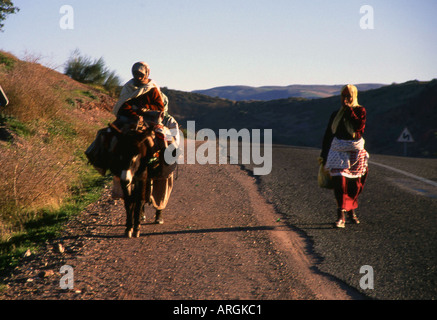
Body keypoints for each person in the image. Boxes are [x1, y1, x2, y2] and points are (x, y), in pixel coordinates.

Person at [112, 62, 180, 225]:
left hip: (152, 122)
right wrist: (133, 114)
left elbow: (159, 109)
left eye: (141, 73)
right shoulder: (127, 88)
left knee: (165, 145)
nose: (138, 76)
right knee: (114, 140)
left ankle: (159, 208)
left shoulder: (153, 88)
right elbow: (120, 108)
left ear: (147, 73)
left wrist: (147, 114)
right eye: (136, 73)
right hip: (131, 122)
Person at [320, 84, 369, 228]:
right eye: (343, 96)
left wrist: (349, 111)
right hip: (337, 150)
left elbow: (359, 128)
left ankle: (351, 211)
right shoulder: (336, 114)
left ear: (354, 97)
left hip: (355, 150)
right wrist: (323, 154)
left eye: (348, 96)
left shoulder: (360, 111)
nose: (345, 99)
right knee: (340, 182)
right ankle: (340, 215)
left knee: (354, 185)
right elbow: (329, 134)